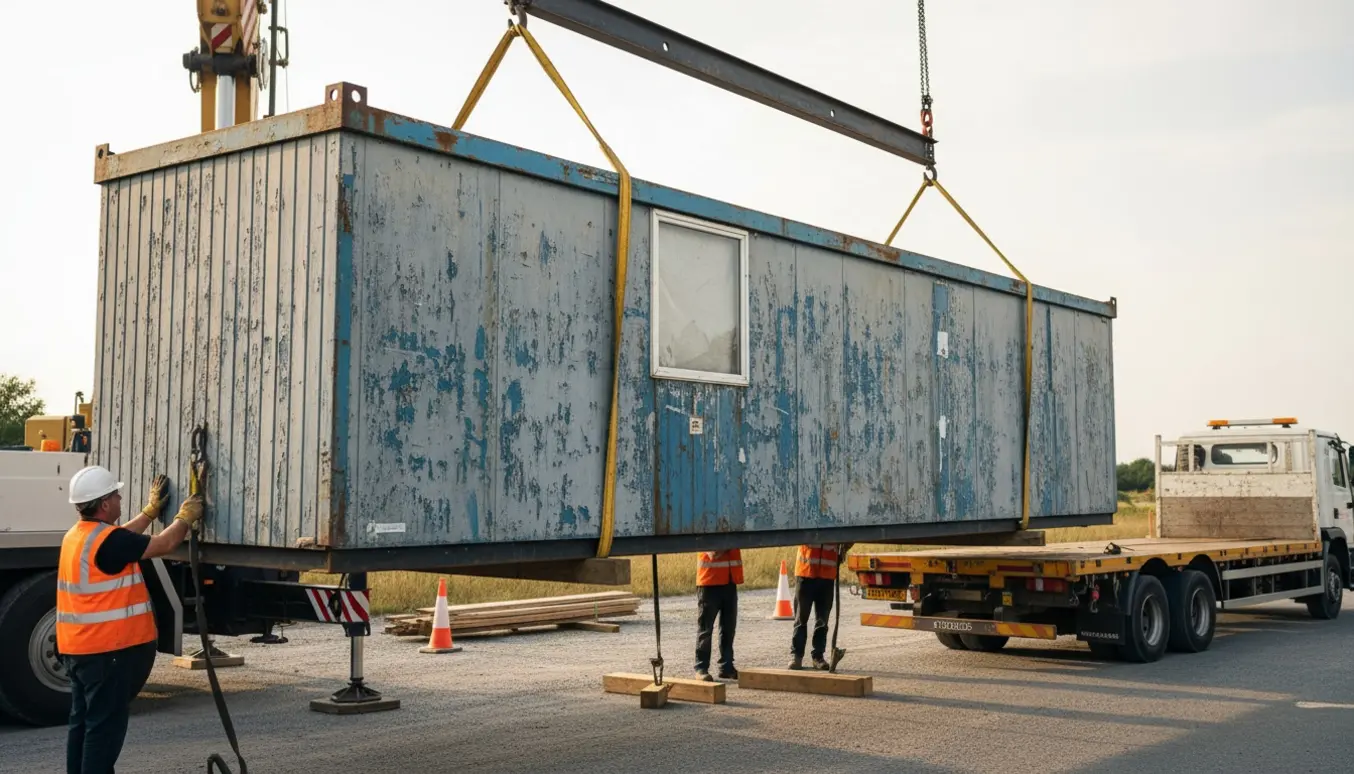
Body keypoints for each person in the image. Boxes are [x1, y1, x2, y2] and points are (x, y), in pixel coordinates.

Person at [58, 465, 203, 774]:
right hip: (106, 653)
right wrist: (185, 518)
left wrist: (150, 513)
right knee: (104, 732)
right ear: (105, 504)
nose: (121, 498)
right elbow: (163, 545)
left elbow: (122, 539)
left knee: (82, 724)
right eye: (116, 494)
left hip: (79, 650)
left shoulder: (79, 535)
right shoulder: (109, 541)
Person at [788, 542, 850, 670]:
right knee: (801, 618)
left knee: (822, 621)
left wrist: (844, 548)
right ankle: (796, 656)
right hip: (806, 572)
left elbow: (850, 534)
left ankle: (818, 657)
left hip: (827, 575)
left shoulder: (836, 521)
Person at [694, 548, 743, 681]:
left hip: (729, 582)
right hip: (709, 582)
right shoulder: (707, 528)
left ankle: (726, 667)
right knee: (705, 629)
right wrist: (731, 543)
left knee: (728, 628)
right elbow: (713, 553)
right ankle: (701, 668)